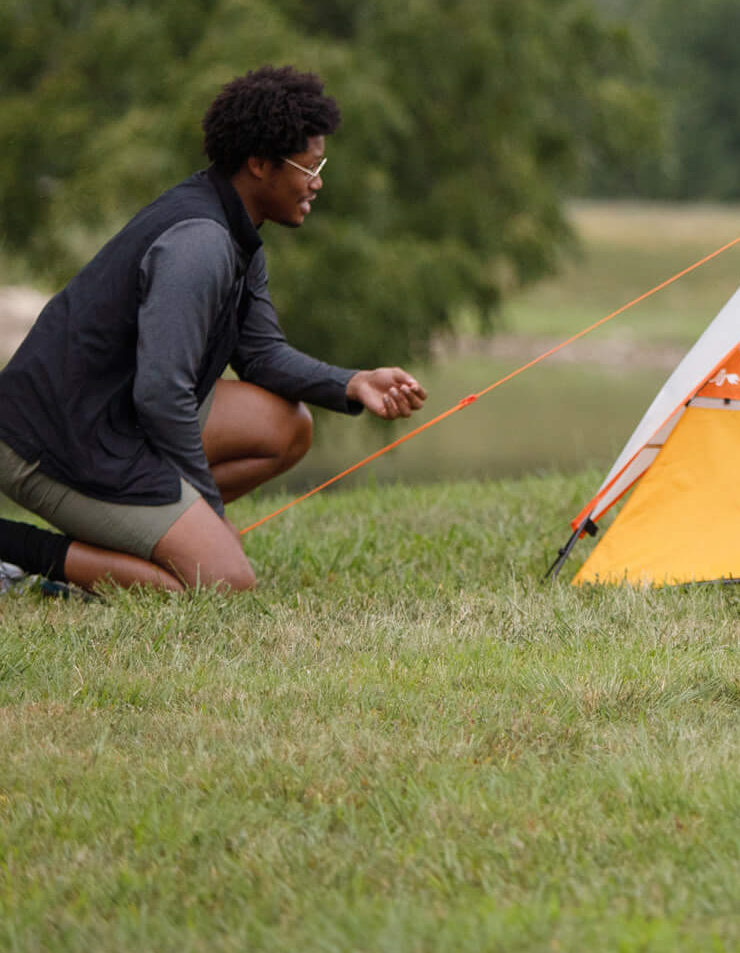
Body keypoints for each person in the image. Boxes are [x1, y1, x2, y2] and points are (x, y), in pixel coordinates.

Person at [0, 66, 424, 594]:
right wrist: (210, 514)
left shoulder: (236, 227)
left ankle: (136, 542)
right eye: (308, 167)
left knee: (287, 426)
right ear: (259, 164)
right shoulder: (199, 244)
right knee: (222, 581)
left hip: (118, 417)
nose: (317, 182)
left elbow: (262, 355)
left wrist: (353, 382)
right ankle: (15, 551)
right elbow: (162, 395)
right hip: (56, 438)